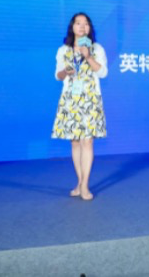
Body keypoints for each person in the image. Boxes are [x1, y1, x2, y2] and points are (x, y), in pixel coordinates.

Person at [52, 13, 108, 201]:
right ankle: (79, 181)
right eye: (78, 23)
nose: (82, 26)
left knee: (88, 141)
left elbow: (103, 73)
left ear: (90, 28)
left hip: (90, 99)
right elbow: (57, 76)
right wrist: (65, 71)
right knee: (75, 142)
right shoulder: (63, 50)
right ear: (72, 27)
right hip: (71, 100)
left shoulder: (97, 48)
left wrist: (88, 56)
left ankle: (84, 185)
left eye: (85, 23)